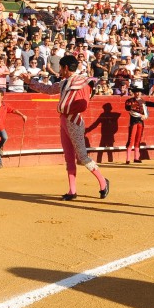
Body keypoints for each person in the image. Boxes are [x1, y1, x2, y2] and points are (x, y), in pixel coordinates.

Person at [22, 55, 110, 201]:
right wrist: (30, 82)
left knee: (82, 157)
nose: (59, 71)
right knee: (69, 158)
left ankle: (103, 182)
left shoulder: (82, 81)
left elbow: (84, 101)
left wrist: (67, 108)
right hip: (64, 120)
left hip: (74, 121)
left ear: (66, 68)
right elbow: (48, 89)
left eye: (61, 68)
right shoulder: (64, 83)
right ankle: (72, 191)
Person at [0, 89, 28, 169]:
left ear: (2, 97)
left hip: (0, 127)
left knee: (5, 137)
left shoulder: (5, 106)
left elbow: (13, 110)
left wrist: (22, 115)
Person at [123, 86, 148, 164]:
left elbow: (146, 112)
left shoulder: (143, 102)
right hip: (133, 122)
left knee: (138, 139)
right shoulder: (130, 101)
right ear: (134, 93)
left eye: (139, 92)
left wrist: (145, 116)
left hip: (141, 122)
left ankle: (136, 158)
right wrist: (141, 116)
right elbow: (131, 111)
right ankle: (127, 159)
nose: (138, 93)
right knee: (131, 139)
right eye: (136, 92)